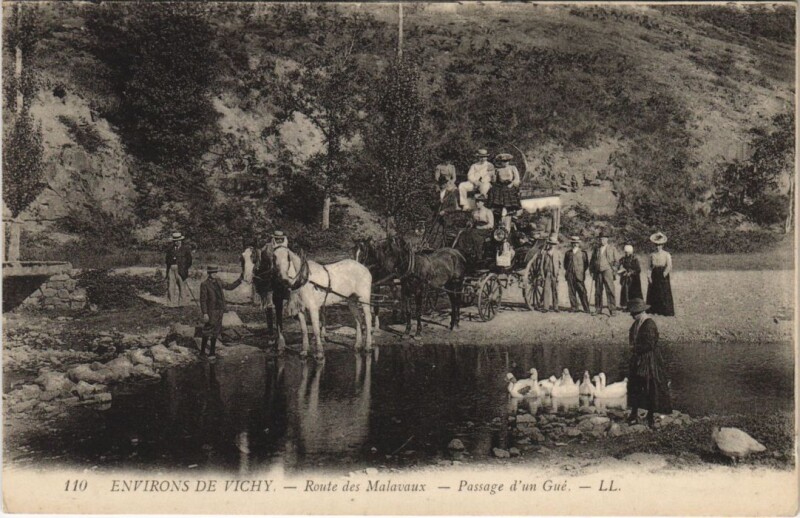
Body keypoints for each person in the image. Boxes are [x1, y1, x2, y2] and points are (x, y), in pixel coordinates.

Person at [626, 298, 671, 427]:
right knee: (634, 385)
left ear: (640, 312)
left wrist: (635, 349)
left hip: (649, 360)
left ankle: (650, 416)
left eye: (633, 313)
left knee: (650, 386)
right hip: (639, 358)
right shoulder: (637, 323)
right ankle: (634, 413)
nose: (631, 315)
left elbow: (650, 344)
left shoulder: (649, 324)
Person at [199, 265, 244, 359]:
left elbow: (230, 287)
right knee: (208, 330)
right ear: (209, 273)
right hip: (211, 310)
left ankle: (212, 352)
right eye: (212, 273)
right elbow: (203, 300)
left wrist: (240, 279)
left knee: (216, 331)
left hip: (220, 310)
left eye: (215, 272)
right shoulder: (204, 284)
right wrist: (205, 313)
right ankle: (202, 353)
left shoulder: (219, 281)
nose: (214, 274)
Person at [487, 153, 522, 229]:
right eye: (503, 161)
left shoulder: (513, 168)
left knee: (508, 193)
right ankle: (498, 212)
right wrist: (493, 177)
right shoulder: (498, 169)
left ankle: (510, 213)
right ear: (500, 162)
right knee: (494, 192)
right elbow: (495, 181)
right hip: (500, 186)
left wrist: (512, 183)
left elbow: (517, 179)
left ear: (509, 161)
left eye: (506, 161)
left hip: (510, 185)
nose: (505, 163)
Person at [589, 230, 619, 315]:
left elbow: (617, 261)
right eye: (600, 239)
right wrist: (591, 270)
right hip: (598, 272)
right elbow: (592, 260)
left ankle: (612, 310)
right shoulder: (596, 249)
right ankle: (598, 309)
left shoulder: (612, 248)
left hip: (608, 271)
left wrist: (614, 270)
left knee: (610, 290)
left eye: (603, 239)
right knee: (598, 291)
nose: (602, 240)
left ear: (607, 239)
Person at [646, 232, 675, 316]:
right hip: (654, 273)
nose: (658, 247)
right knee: (654, 291)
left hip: (662, 274)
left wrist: (664, 274)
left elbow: (669, 265)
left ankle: (665, 311)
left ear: (662, 245)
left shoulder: (666, 254)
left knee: (664, 291)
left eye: (660, 245)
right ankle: (654, 310)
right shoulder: (652, 255)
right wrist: (649, 276)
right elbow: (650, 266)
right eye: (656, 245)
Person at [165, 231, 192, 306]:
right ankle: (170, 305)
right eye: (175, 240)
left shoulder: (185, 249)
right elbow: (167, 261)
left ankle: (182, 305)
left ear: (181, 240)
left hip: (181, 270)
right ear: (173, 241)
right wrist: (168, 271)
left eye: (178, 240)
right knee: (171, 287)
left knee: (182, 288)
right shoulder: (170, 249)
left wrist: (184, 269)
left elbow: (189, 261)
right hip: (171, 269)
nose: (177, 242)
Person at [564, 236, 590, 313]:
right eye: (573, 243)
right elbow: (565, 264)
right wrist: (569, 271)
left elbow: (586, 264)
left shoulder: (583, 253)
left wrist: (580, 271)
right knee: (571, 292)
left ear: (578, 244)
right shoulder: (568, 253)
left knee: (582, 292)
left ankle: (586, 308)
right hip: (570, 275)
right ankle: (574, 308)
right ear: (571, 244)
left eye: (576, 243)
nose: (575, 244)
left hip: (579, 275)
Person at [541, 234, 562, 312]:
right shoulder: (545, 253)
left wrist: (558, 274)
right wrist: (542, 273)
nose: (552, 245)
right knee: (546, 290)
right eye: (551, 244)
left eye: (553, 244)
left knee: (555, 290)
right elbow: (541, 264)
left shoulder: (558, 253)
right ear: (548, 244)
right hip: (547, 273)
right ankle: (545, 307)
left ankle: (555, 307)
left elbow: (560, 265)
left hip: (554, 274)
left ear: (555, 245)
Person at [618, 244, 643, 308]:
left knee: (633, 292)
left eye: (627, 252)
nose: (626, 254)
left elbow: (638, 270)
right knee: (625, 292)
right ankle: (625, 305)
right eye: (625, 252)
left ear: (631, 252)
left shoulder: (634, 259)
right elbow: (617, 266)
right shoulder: (623, 259)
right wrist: (620, 271)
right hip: (625, 279)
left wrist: (631, 272)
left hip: (634, 279)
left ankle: (635, 305)